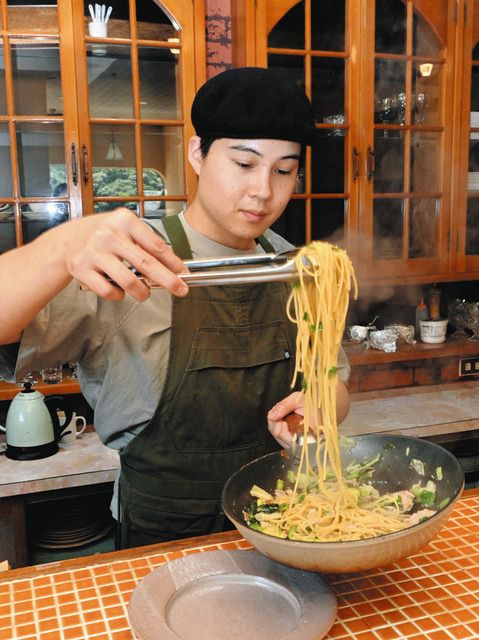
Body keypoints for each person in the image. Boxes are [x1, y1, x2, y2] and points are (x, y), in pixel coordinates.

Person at [0, 67, 351, 548]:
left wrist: (321, 405)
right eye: (244, 164)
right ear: (197, 154)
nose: (263, 191)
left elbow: (334, 383)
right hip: (165, 526)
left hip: (285, 516)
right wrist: (60, 248)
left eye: (284, 170)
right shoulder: (131, 259)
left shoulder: (302, 267)